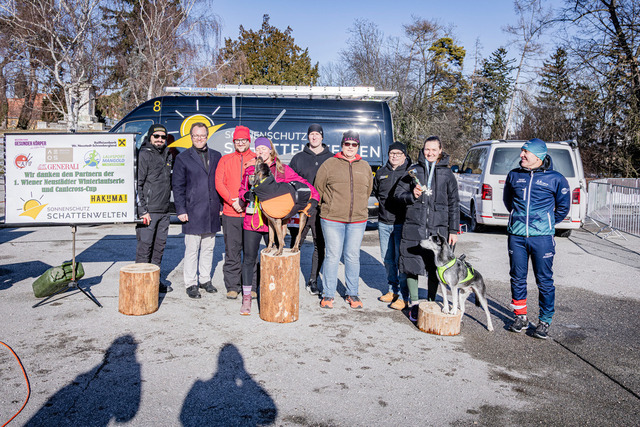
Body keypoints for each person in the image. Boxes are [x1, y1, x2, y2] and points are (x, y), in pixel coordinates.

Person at [238, 137, 318, 315]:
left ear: (270, 150)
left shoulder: (282, 169)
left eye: (264, 148)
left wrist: (314, 198)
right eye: (258, 148)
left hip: (274, 224)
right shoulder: (251, 169)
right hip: (254, 219)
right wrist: (245, 196)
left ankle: (273, 294)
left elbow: (303, 184)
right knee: (249, 258)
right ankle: (246, 298)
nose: (261, 151)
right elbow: (242, 189)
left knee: (275, 260)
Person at [503, 138, 570, 339]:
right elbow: (508, 201)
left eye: (526, 152)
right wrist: (519, 220)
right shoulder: (514, 175)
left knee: (544, 280)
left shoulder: (556, 178)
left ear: (539, 156)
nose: (521, 155)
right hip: (516, 236)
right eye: (522, 151)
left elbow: (563, 208)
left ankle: (544, 321)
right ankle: (520, 316)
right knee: (517, 277)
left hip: (542, 238)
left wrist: (545, 223)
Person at [395, 136, 459, 321]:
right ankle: (414, 304)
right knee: (411, 264)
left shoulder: (447, 174)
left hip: (438, 229)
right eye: (427, 149)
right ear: (423, 150)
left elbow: (454, 203)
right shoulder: (413, 170)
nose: (430, 153)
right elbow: (397, 194)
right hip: (414, 225)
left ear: (440, 151)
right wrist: (411, 195)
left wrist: (453, 230)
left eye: (433, 150)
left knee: (435, 267)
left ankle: (431, 302)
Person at [314, 130, 373, 309]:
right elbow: (318, 188)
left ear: (358, 146)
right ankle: (328, 294)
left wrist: (358, 207)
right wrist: (330, 206)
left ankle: (352, 293)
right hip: (332, 219)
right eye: (347, 144)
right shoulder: (329, 164)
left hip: (357, 220)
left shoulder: (365, 166)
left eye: (354, 144)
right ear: (342, 145)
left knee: (352, 256)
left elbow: (368, 191)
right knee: (332, 255)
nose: (350, 147)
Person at [172, 122, 222, 299]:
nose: (199, 138)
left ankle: (205, 280)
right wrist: (180, 209)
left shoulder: (216, 156)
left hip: (212, 209)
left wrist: (221, 206)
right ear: (191, 137)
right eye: (196, 136)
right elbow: (178, 186)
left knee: (208, 248)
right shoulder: (183, 158)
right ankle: (191, 283)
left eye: (202, 135)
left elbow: (220, 182)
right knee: (192, 249)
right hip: (192, 210)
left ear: (207, 136)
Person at [288, 124, 333, 295]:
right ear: (308, 137)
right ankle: (289, 276)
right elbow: (289, 182)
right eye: (311, 134)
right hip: (301, 208)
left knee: (319, 245)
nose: (314, 137)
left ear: (322, 137)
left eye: (317, 134)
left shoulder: (331, 158)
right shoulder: (298, 158)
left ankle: (313, 280)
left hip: (321, 209)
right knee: (295, 243)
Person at [215, 125, 257, 299]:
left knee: (251, 252)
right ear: (233, 142)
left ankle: (251, 285)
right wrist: (233, 202)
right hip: (230, 213)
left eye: (244, 140)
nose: (240, 143)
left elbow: (261, 184)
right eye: (237, 140)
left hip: (251, 214)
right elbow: (219, 183)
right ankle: (232, 286)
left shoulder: (256, 159)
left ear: (249, 141)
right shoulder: (225, 160)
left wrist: (245, 202)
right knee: (232, 251)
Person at [135, 124, 173, 293]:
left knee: (158, 250)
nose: (159, 139)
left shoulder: (167, 154)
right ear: (150, 137)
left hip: (164, 211)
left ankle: (154, 282)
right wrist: (143, 210)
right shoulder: (144, 154)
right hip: (149, 212)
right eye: (156, 136)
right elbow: (137, 184)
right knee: (145, 249)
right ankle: (141, 286)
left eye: (163, 137)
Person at [374, 142, 411, 310]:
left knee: (400, 260)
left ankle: (404, 295)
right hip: (384, 222)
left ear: (404, 155)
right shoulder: (381, 173)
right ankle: (392, 290)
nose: (395, 156)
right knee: (387, 259)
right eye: (392, 153)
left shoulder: (410, 172)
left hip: (402, 223)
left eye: (398, 153)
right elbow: (376, 192)